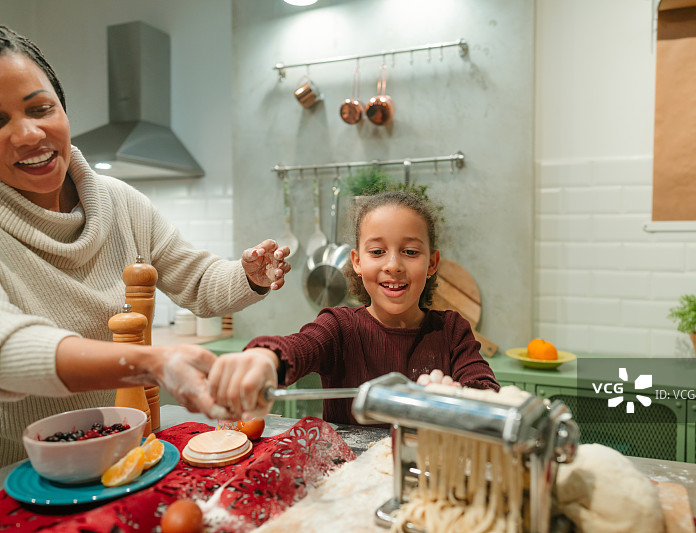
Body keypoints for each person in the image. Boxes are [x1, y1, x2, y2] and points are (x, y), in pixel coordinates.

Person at [0, 25, 291, 466]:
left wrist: (247, 274)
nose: (27, 134)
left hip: (129, 455)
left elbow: (196, 279)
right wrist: (150, 361)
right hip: (22, 477)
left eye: (40, 109)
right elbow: (10, 349)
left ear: (63, 108)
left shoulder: (121, 202)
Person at [208, 190, 499, 424]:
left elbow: (487, 391)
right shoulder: (339, 327)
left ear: (432, 263)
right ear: (357, 261)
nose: (393, 265)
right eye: (377, 252)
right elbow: (299, 347)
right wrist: (266, 359)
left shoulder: (451, 331)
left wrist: (462, 398)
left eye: (410, 252)